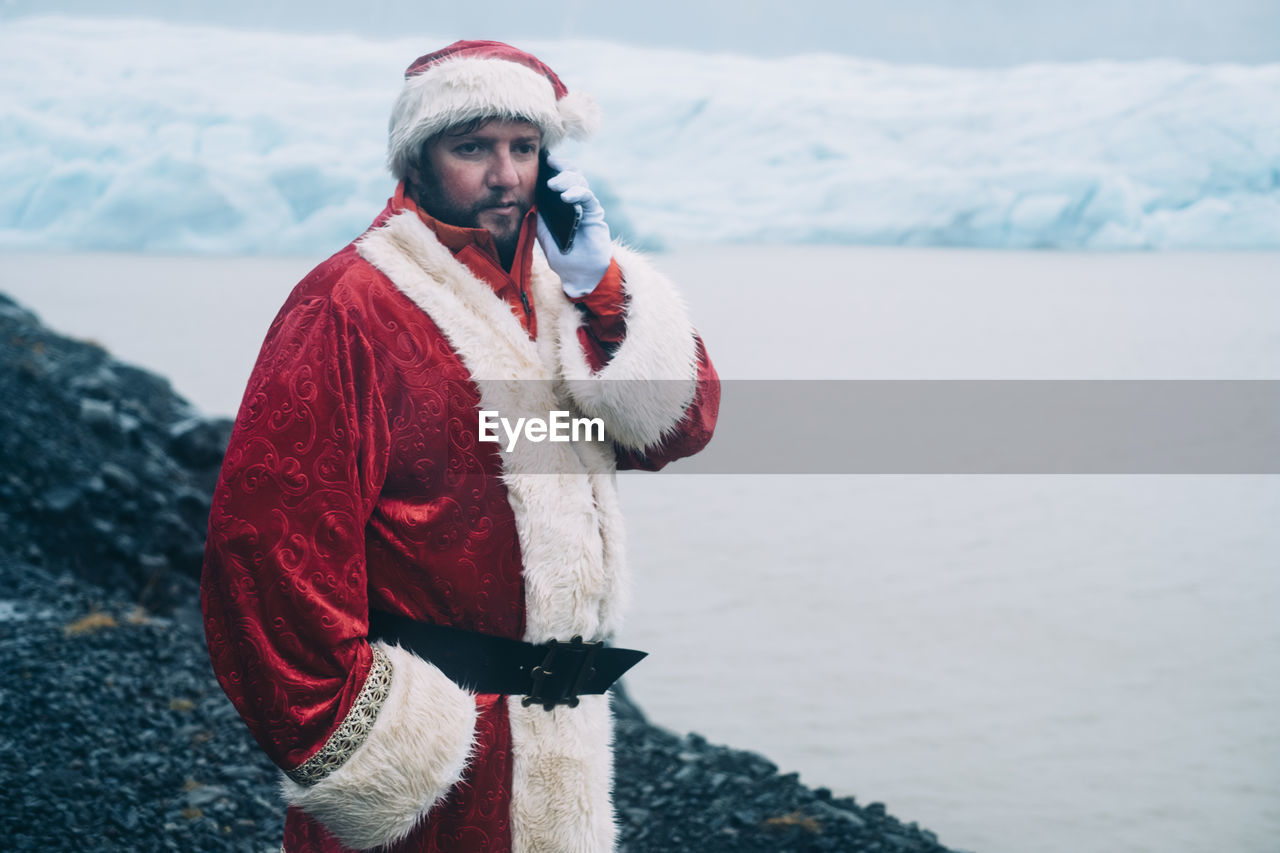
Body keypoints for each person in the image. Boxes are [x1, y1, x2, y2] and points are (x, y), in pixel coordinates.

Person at [200, 40, 719, 853]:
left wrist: (605, 287)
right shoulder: (350, 305)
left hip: (561, 743)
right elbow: (268, 546)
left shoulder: (566, 293)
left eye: (524, 146)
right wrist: (376, 741)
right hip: (432, 750)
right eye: (472, 146)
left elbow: (676, 428)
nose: (506, 174)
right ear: (418, 158)